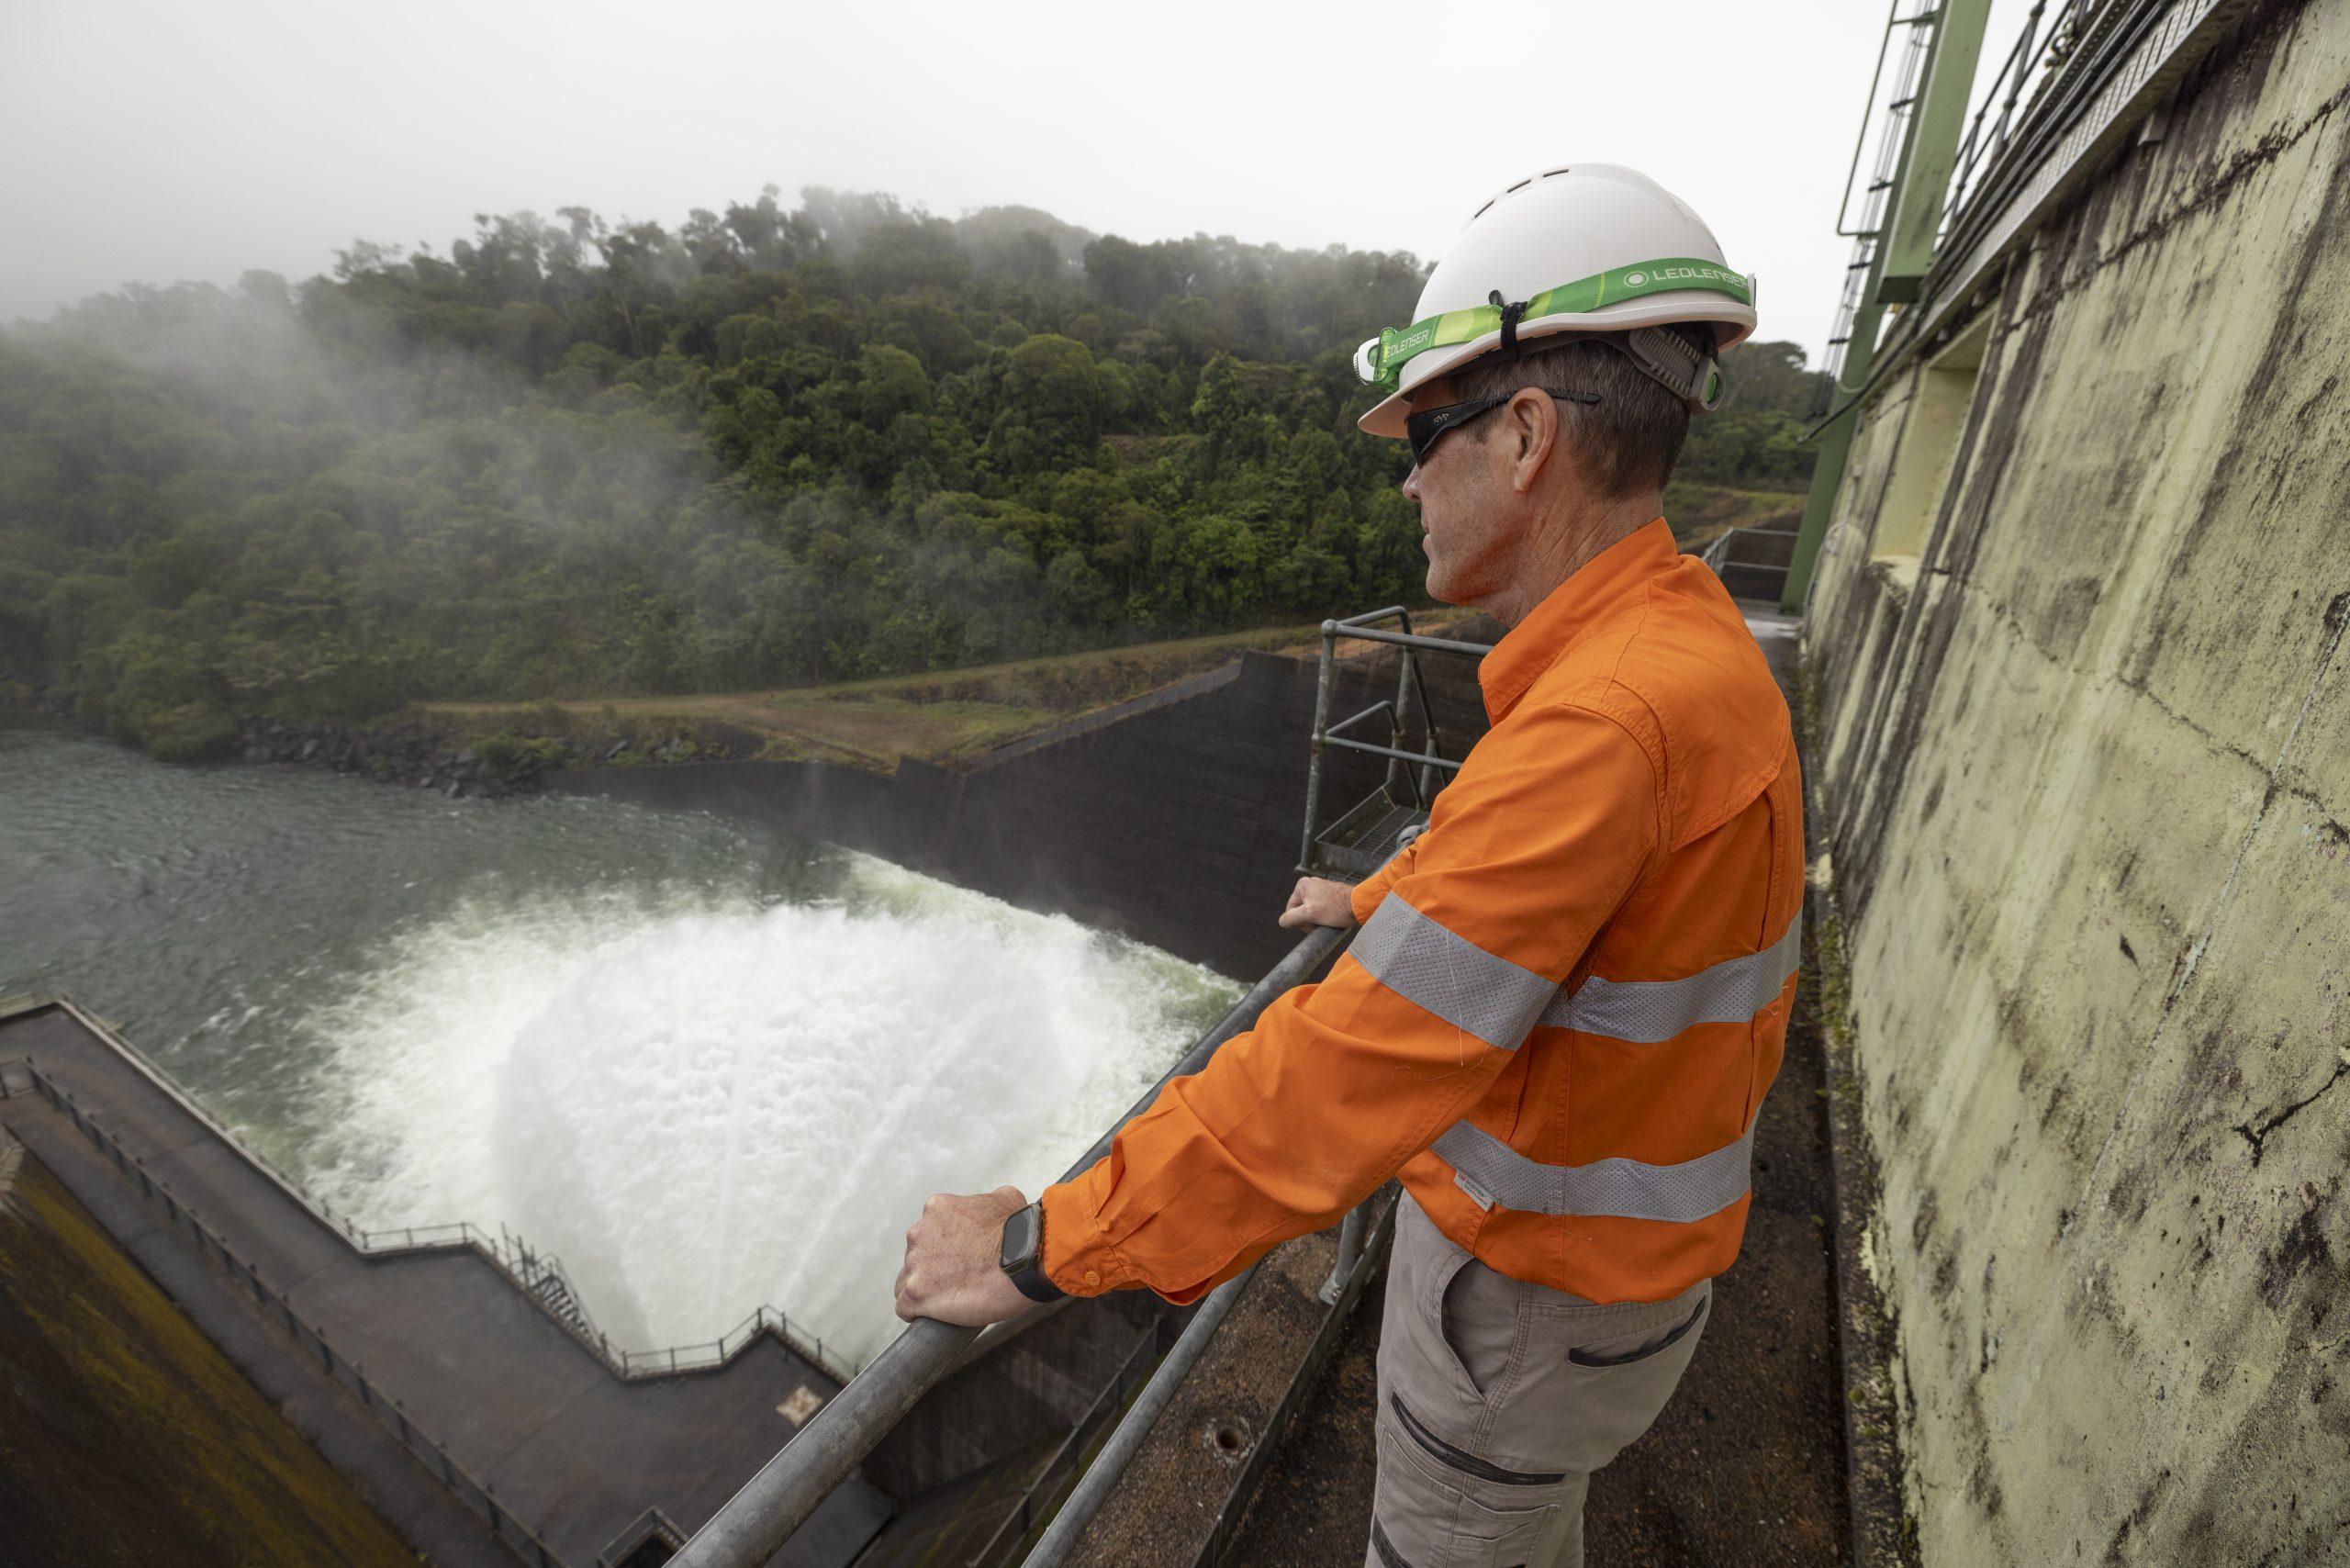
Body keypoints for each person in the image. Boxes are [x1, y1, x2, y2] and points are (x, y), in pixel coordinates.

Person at [894, 164, 1802, 1568]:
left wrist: (1040, 1247)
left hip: (1529, 1311)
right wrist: (1381, 898)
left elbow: (1343, 1070)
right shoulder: (1685, 649)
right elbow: (1561, 896)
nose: (1405, 477)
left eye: (1425, 432)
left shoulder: (1604, 723)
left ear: (1522, 436)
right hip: (1621, 1300)